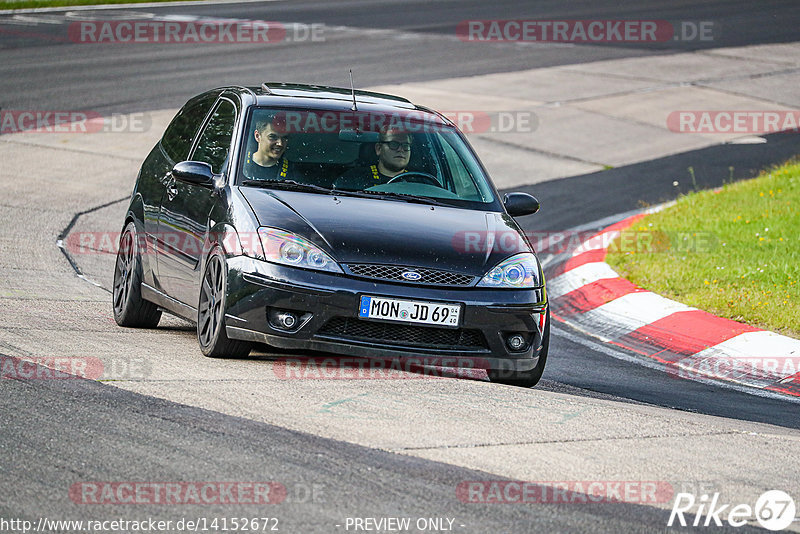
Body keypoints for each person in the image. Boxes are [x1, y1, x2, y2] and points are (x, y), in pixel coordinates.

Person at [335, 129, 413, 190]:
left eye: (406, 146)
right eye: (393, 144)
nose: (401, 149)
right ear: (378, 148)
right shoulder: (353, 179)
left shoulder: (419, 181)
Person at [243, 115, 295, 181]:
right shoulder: (239, 167)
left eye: (284, 138)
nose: (280, 143)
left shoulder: (293, 172)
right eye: (273, 137)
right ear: (257, 136)